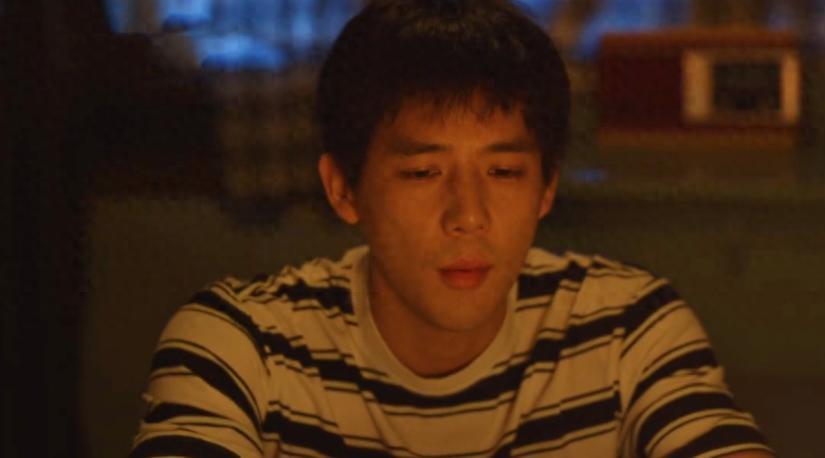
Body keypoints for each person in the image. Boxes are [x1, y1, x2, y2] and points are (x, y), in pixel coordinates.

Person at [130, 1, 773, 456]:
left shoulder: (628, 326)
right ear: (343, 188)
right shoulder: (245, 344)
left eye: (503, 171)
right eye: (422, 172)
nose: (468, 214)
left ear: (546, 187)